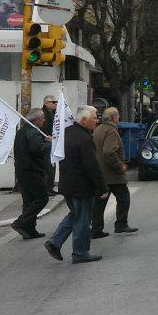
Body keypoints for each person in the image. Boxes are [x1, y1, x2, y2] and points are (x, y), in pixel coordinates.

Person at [44, 105, 109, 264]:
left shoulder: (67, 133)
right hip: (82, 187)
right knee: (82, 219)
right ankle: (80, 252)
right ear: (84, 120)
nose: (96, 121)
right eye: (94, 118)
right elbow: (91, 166)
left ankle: (54, 242)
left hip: (68, 185)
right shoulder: (84, 138)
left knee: (75, 214)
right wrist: (102, 187)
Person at [91, 107, 137, 238]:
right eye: (118, 116)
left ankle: (96, 229)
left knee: (100, 202)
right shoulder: (111, 131)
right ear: (114, 117)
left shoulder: (98, 129)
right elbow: (109, 152)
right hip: (112, 174)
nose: (119, 118)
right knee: (124, 198)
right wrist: (120, 166)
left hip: (101, 173)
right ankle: (121, 224)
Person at [11, 108, 52, 239]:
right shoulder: (32, 132)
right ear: (36, 120)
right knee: (42, 197)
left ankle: (29, 230)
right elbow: (38, 150)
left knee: (29, 200)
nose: (44, 120)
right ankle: (21, 222)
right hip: (32, 171)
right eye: (43, 118)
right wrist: (49, 144)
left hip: (22, 170)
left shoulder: (22, 131)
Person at [41, 95, 58, 190]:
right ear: (46, 103)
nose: (55, 104)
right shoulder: (43, 114)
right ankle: (47, 188)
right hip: (47, 142)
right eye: (53, 102)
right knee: (48, 167)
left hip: (53, 143)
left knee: (52, 166)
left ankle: (50, 187)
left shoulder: (54, 113)